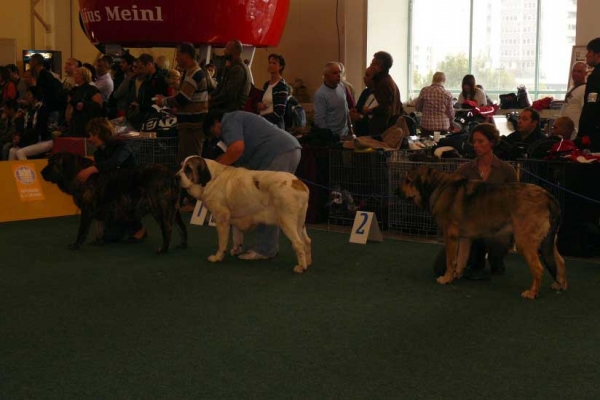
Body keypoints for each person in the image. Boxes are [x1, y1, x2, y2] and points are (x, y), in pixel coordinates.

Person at [203, 110, 302, 260]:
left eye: (214, 132)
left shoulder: (229, 121)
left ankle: (265, 249)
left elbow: (236, 148)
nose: (218, 136)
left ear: (217, 123)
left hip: (277, 153)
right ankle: (259, 246)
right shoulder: (237, 119)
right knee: (270, 202)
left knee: (266, 203)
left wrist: (216, 169)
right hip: (287, 149)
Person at [434, 123, 518, 279]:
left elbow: (515, 200)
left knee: (496, 242)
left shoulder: (507, 170)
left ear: (492, 142)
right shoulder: (465, 169)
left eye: (481, 141)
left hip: (497, 224)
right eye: (474, 141)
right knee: (439, 267)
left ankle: (496, 261)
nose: (476, 145)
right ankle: (472, 262)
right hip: (468, 225)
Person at [75, 117, 146, 243]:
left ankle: (139, 229)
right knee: (110, 237)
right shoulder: (98, 153)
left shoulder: (121, 146)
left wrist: (92, 169)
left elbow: (115, 162)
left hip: (131, 188)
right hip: (114, 190)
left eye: (92, 134)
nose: (89, 139)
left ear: (101, 132)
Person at [155, 42, 209, 163]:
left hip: (193, 127)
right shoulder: (191, 72)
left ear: (186, 55)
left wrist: (163, 101)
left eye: (179, 55)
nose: (176, 58)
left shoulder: (194, 73)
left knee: (191, 162)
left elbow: (182, 99)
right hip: (189, 126)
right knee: (185, 161)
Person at [8, 86, 51, 160]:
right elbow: (22, 128)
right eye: (26, 94)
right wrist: (18, 119)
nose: (26, 97)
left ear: (35, 96)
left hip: (43, 140)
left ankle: (28, 171)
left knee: (20, 152)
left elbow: (38, 130)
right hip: (30, 139)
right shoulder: (28, 110)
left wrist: (21, 137)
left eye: (29, 94)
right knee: (12, 151)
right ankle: (11, 171)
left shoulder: (42, 109)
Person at [209, 39, 251, 113]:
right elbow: (221, 88)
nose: (224, 51)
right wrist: (210, 96)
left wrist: (210, 102)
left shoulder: (238, 69)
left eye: (227, 49)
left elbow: (229, 95)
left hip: (232, 110)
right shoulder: (233, 67)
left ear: (234, 51)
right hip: (228, 107)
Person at [368, 51, 404, 135]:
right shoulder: (389, 81)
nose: (370, 66)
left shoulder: (383, 83)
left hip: (383, 131)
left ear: (378, 66)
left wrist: (369, 110)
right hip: (388, 128)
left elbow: (383, 109)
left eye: (372, 63)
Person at [313, 61, 349, 137]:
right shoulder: (321, 94)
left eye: (339, 72)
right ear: (326, 75)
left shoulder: (341, 86)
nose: (339, 75)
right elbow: (319, 119)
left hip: (344, 132)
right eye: (335, 73)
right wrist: (328, 136)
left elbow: (345, 109)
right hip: (332, 134)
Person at [65, 67, 103, 137]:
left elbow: (99, 105)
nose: (74, 75)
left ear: (83, 76)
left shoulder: (91, 89)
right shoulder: (74, 90)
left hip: (86, 123)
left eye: (77, 74)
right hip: (75, 122)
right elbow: (70, 105)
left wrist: (84, 105)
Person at [578, 37, 600, 151]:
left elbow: (592, 104)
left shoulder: (596, 77)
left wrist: (584, 133)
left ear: (597, 54)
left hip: (595, 132)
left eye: (589, 52)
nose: (586, 55)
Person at [256, 53, 289, 129]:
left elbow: (280, 111)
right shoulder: (266, 84)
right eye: (270, 63)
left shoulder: (282, 86)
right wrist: (259, 105)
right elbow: (260, 100)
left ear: (280, 67)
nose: (270, 65)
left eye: (274, 63)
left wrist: (264, 120)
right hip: (262, 122)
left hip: (274, 125)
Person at [559, 62, 587, 134]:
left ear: (585, 74)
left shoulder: (585, 89)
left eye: (579, 71)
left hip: (576, 129)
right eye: (574, 71)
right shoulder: (571, 87)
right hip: (565, 128)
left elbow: (585, 111)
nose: (575, 73)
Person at [349, 66, 376, 136]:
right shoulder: (366, 91)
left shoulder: (378, 94)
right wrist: (354, 110)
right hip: (360, 134)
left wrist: (359, 117)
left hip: (371, 134)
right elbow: (358, 107)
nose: (364, 78)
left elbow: (374, 117)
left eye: (367, 75)